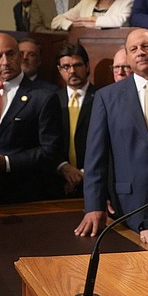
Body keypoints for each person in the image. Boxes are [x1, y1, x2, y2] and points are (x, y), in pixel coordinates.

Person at [75, 29, 148, 244]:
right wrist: (94, 206)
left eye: (146, 46)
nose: (140, 53)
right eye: (133, 49)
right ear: (127, 57)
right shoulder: (107, 98)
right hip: (129, 204)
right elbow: (95, 158)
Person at [0, 33, 62, 204]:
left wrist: (7, 162)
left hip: (20, 197)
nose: (6, 62)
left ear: (20, 56)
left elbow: (51, 151)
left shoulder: (43, 97)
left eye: (10, 54)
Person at [55, 43, 96, 196]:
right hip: (57, 182)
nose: (72, 71)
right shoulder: (52, 100)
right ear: (59, 70)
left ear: (87, 66)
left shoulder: (102, 97)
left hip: (93, 179)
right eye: (66, 67)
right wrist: (63, 167)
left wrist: (83, 173)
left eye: (77, 65)